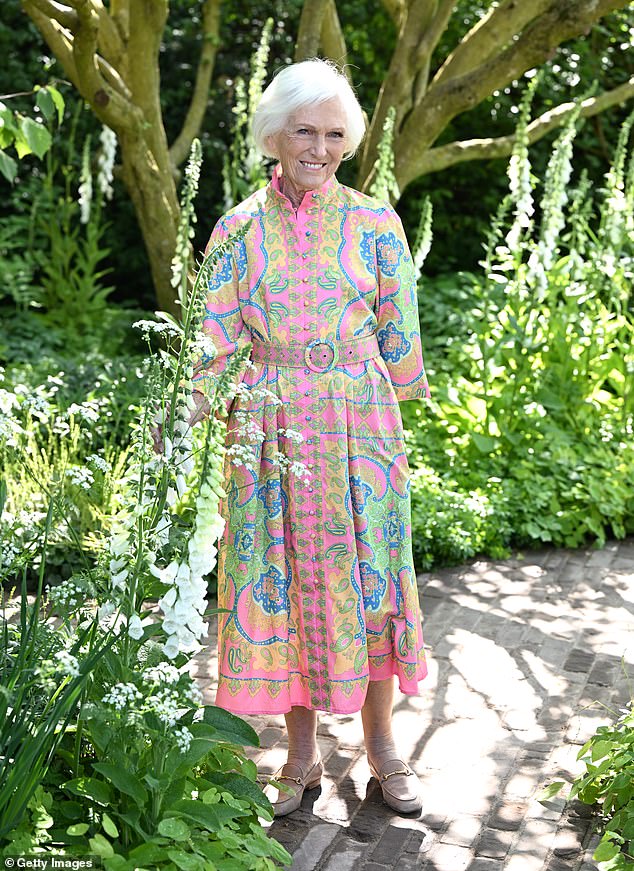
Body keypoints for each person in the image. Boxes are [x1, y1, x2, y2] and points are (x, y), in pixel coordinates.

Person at [188, 58, 430, 816]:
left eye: (333, 132)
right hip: (269, 433)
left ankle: (384, 744)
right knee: (285, 582)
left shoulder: (376, 225)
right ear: (274, 135)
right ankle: (299, 752)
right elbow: (213, 338)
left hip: (360, 430)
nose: (318, 147)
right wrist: (184, 413)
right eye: (303, 129)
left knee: (370, 577)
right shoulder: (236, 230)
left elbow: (401, 334)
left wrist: (402, 400)